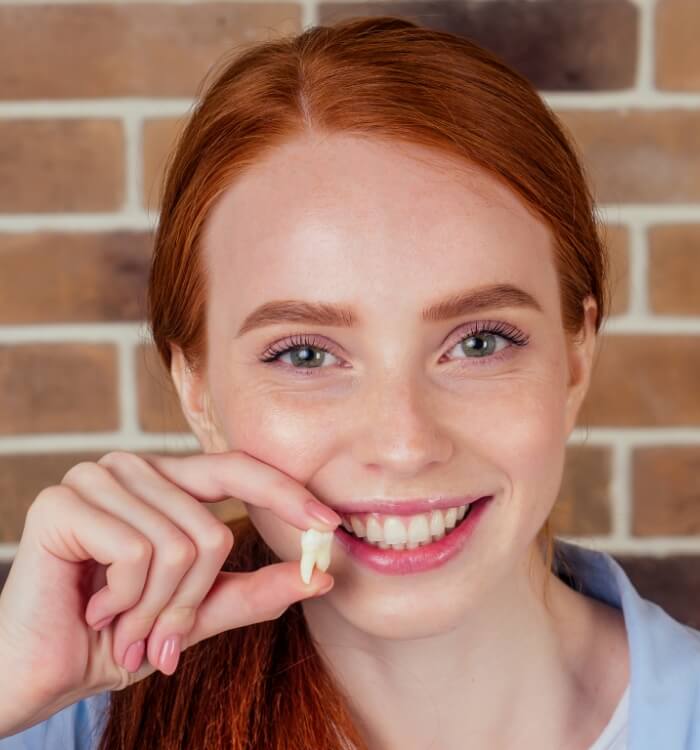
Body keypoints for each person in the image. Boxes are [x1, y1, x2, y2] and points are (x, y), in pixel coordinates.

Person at [0, 14, 699, 750]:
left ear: (576, 356)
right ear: (196, 388)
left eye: (480, 341)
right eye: (305, 355)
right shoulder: (59, 718)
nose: (403, 444)